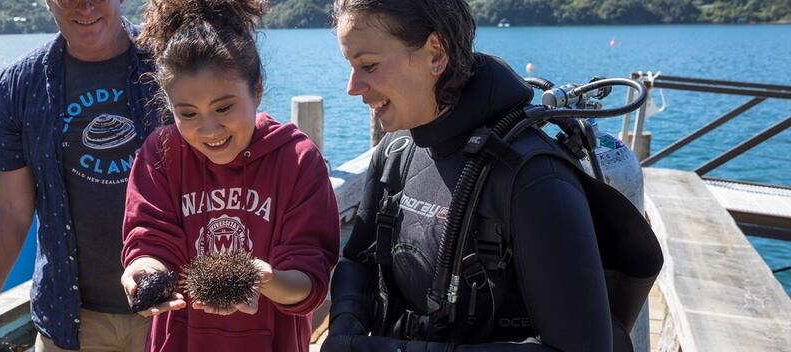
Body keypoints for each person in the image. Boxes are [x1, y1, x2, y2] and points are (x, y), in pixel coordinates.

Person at [322, 0, 658, 351]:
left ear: (435, 53)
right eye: (350, 66)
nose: (352, 86)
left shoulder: (534, 179)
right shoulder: (397, 151)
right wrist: (346, 325)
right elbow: (358, 258)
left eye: (369, 66)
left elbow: (582, 346)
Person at [118, 0, 340, 351]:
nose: (209, 129)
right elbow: (150, 241)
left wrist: (266, 279)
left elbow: (309, 277)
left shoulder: (297, 160)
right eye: (187, 113)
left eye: (224, 107)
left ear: (257, 90)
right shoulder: (160, 155)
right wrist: (144, 270)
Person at [0, 0, 161, 350]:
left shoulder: (171, 63)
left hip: (169, 307)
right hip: (70, 319)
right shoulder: (21, 83)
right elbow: (10, 209)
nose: (84, 6)